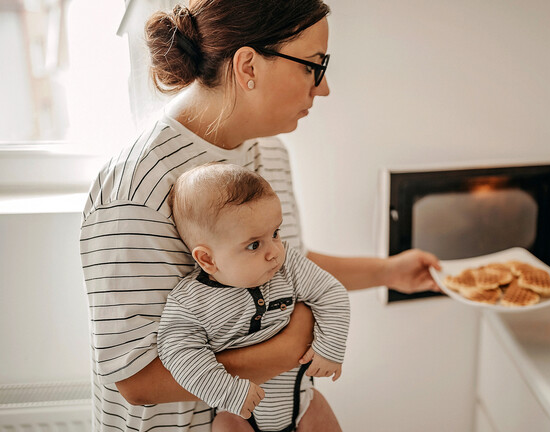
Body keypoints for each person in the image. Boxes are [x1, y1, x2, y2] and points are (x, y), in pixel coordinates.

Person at [78, 1, 441, 431]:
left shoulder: (267, 150)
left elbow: (279, 268)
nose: (322, 88)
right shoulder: (133, 191)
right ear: (248, 66)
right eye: (313, 65)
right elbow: (137, 380)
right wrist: (294, 341)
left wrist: (387, 272)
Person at [158, 163, 350, 432]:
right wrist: (227, 392)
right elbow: (179, 354)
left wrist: (331, 347)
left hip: (301, 400)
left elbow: (331, 293)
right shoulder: (190, 303)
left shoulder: (289, 266)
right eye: (254, 245)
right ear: (208, 259)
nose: (274, 251)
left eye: (275, 233)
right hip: (238, 413)